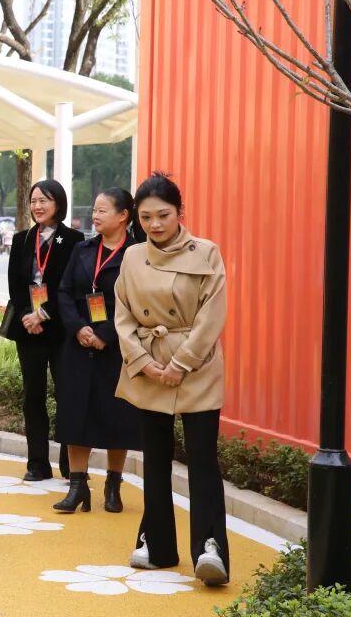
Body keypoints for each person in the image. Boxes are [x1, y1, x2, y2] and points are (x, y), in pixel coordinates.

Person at [113, 172, 230, 586]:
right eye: (145, 217)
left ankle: (210, 548)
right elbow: (122, 313)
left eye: (163, 215)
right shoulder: (132, 257)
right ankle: (158, 544)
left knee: (202, 458)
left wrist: (181, 363)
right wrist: (143, 362)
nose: (155, 224)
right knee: (155, 458)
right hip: (149, 366)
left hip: (196, 367)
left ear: (180, 212)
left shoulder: (207, 252)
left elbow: (213, 315)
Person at [54, 188, 142, 514]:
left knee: (116, 416)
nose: (95, 216)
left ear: (123, 215)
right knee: (76, 414)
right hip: (79, 345)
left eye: (103, 210)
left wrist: (107, 334)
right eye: (94, 210)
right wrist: (78, 328)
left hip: (116, 347)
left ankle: (113, 484)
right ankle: (77, 486)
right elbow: (64, 292)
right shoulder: (83, 249)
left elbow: (137, 302)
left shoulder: (136, 254)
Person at [5, 180, 82, 481]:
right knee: (33, 396)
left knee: (67, 395)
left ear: (58, 203)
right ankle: (37, 463)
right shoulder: (22, 239)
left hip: (61, 329)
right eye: (34, 200)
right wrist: (29, 316)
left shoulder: (74, 240)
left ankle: (69, 463)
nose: (37, 206)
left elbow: (71, 285)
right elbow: (15, 286)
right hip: (29, 331)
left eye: (44, 200)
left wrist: (43, 314)